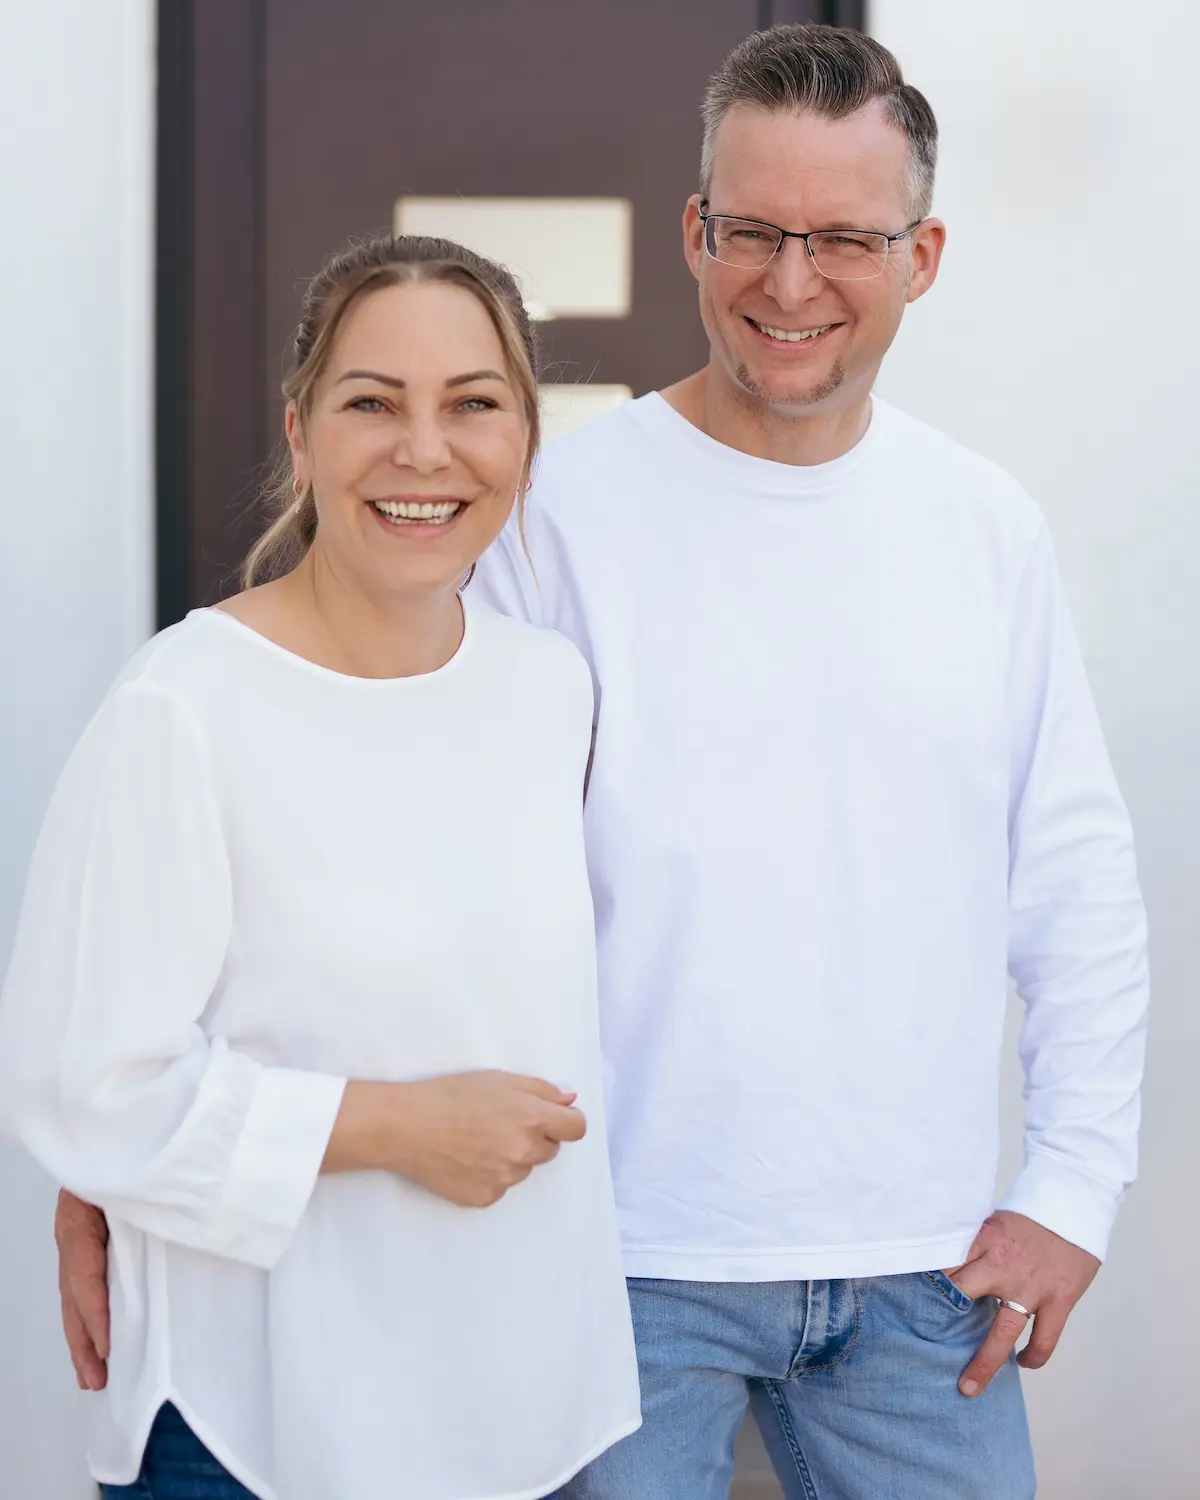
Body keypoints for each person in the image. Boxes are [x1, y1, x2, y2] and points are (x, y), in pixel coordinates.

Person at [54, 22, 1150, 1500]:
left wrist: (1072, 1188)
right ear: (696, 231)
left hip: (923, 1271)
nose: (789, 281)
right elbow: (361, 811)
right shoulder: (545, 514)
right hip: (618, 1262)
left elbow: (1073, 887)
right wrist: (123, 1159)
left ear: (924, 253)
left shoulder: (986, 529)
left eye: (841, 238)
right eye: (752, 229)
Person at [0, 234, 640, 1500]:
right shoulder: (183, 708)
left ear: (524, 437)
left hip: (524, 1416)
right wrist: (404, 1126)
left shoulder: (547, 688)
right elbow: (89, 1087)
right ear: (299, 432)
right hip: (261, 1427)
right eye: (371, 404)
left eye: (472, 404)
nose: (423, 451)